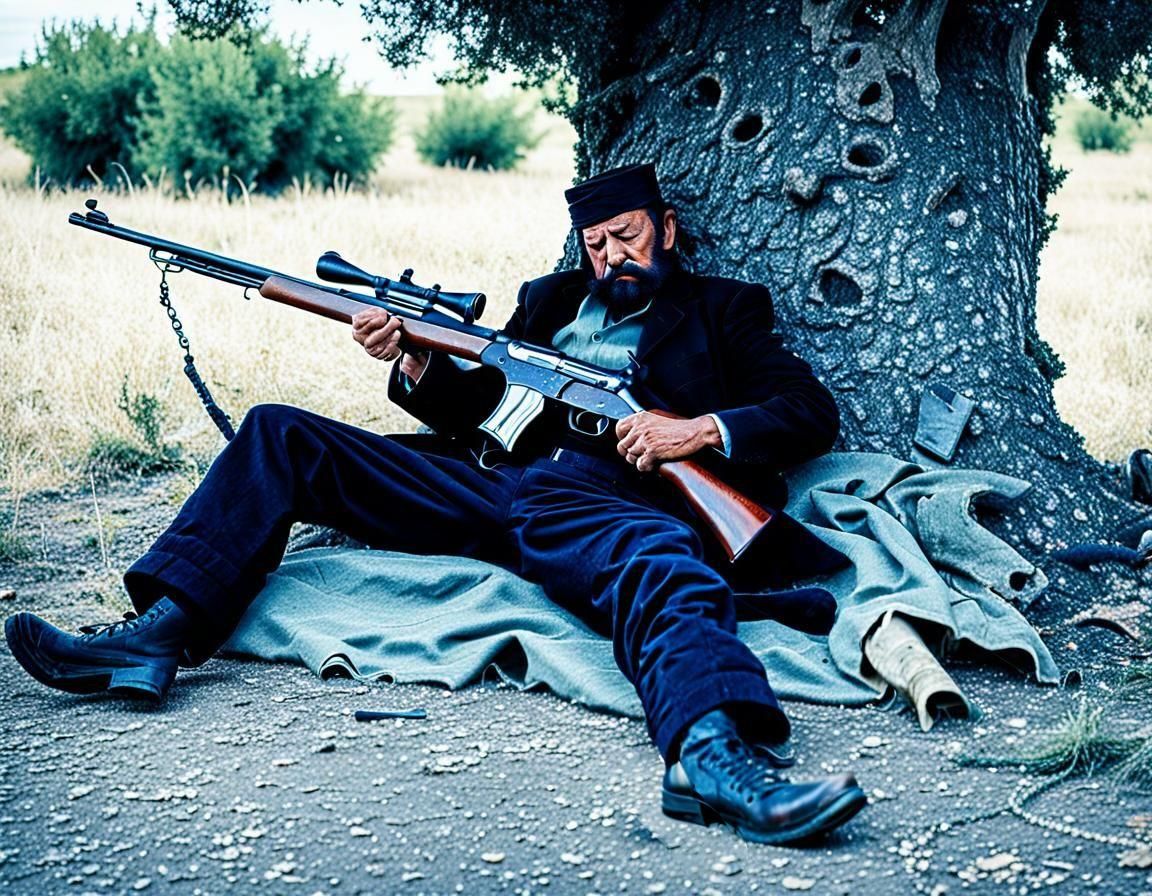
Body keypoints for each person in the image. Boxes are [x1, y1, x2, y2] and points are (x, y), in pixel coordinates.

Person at [5, 163, 867, 845]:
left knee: (659, 565)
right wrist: (415, 361)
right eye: (596, 243)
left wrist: (696, 432)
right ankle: (159, 631)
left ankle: (709, 750)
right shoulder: (547, 302)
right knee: (281, 433)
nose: (612, 257)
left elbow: (805, 409)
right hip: (483, 482)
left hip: (602, 495)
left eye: (628, 235)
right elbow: (484, 409)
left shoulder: (723, 310)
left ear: (667, 230)